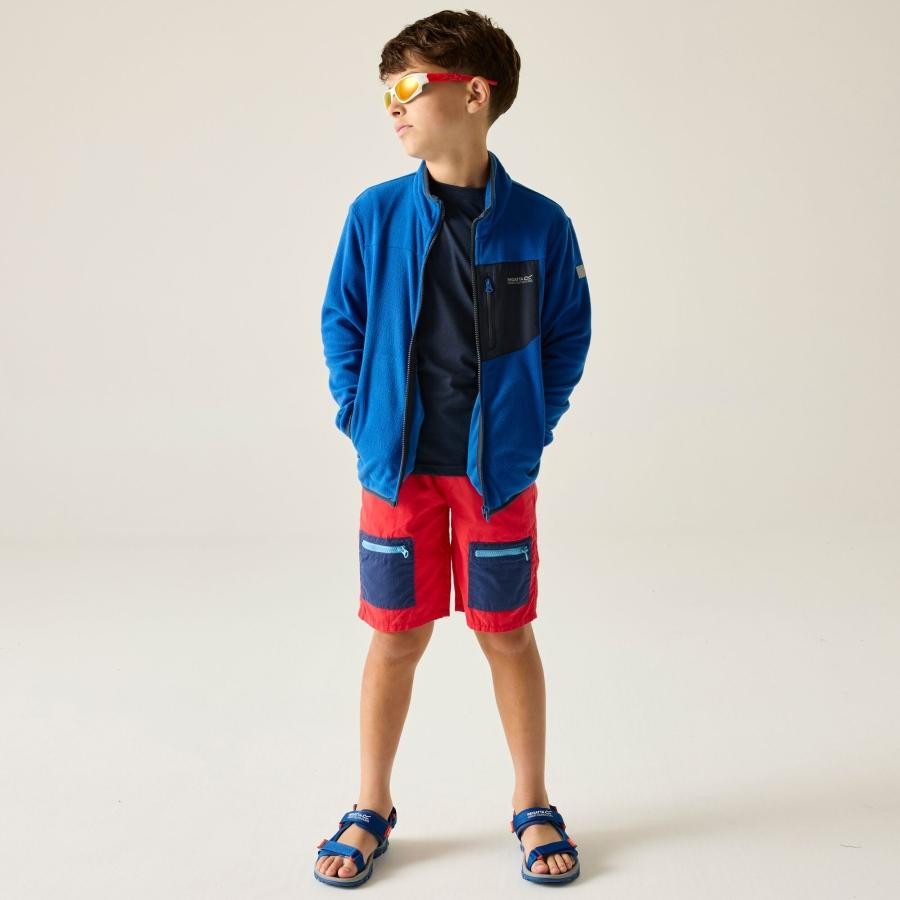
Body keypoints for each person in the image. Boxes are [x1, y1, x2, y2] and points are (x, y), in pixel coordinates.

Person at [316, 9, 591, 888]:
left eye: (408, 86)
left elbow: (567, 336)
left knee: (507, 634)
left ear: (474, 94)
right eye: (386, 92)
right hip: (397, 473)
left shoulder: (541, 225)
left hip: (494, 475)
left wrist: (530, 428)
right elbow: (342, 322)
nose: (392, 106)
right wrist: (360, 417)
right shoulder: (374, 215)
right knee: (395, 637)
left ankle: (532, 801)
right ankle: (370, 804)